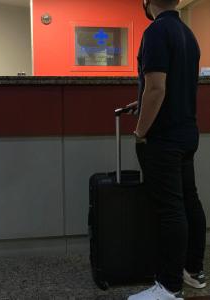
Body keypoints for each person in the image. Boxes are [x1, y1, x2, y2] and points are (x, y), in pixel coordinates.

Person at [126, 0, 207, 299]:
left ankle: (169, 288)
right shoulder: (188, 33)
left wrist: (140, 131)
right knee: (189, 202)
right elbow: (173, 86)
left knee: (170, 211)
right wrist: (141, 101)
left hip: (164, 138)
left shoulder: (156, 32)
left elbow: (157, 88)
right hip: (187, 132)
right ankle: (194, 272)